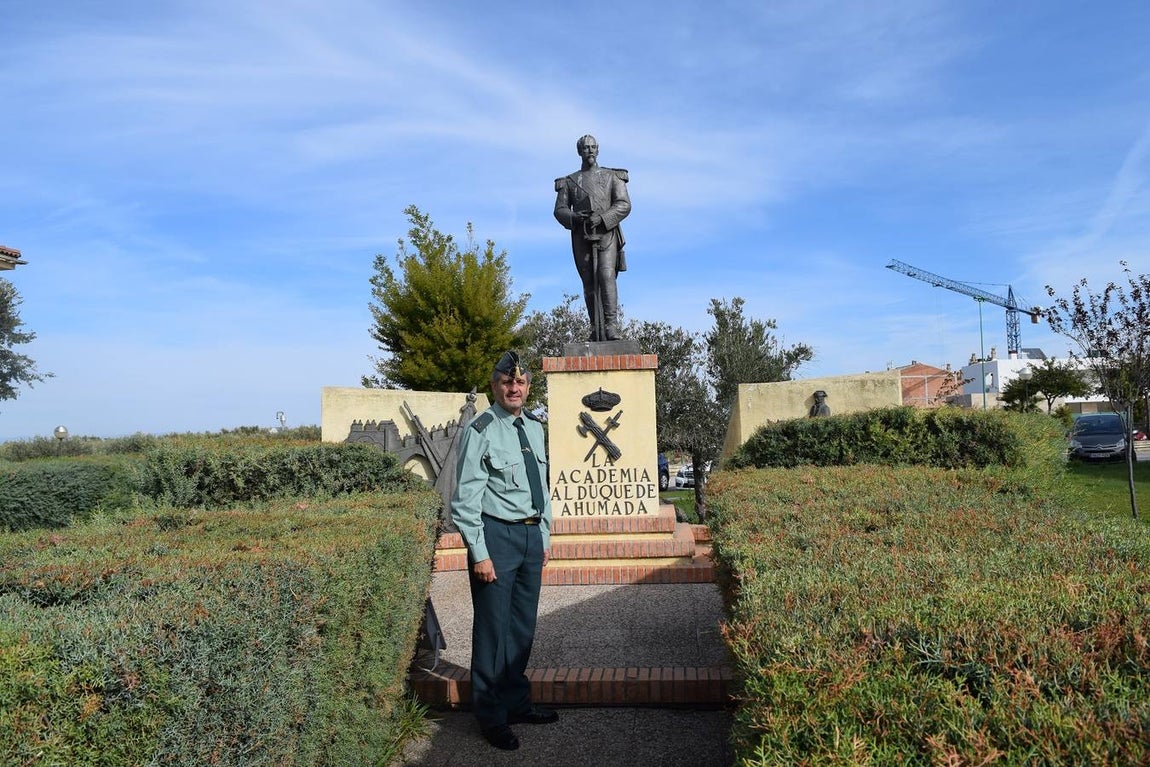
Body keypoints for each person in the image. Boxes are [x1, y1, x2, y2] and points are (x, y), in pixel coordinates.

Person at [450, 350, 557, 751]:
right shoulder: (480, 429)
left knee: (522, 629)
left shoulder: (535, 428)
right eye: (507, 382)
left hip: (529, 538)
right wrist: (479, 552)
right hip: (496, 536)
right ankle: (491, 716)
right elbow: (465, 498)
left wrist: (543, 537)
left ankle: (516, 703)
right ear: (495, 386)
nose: (514, 388)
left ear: (528, 387)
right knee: (493, 632)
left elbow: (541, 489)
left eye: (521, 382)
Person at [554, 134, 631, 341]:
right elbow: (560, 209)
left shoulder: (612, 176)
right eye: (585, 147)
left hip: (606, 233)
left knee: (606, 276)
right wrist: (574, 217)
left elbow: (624, 204)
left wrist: (604, 217)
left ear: (598, 149)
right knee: (588, 280)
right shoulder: (569, 181)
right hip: (582, 235)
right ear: (579, 151)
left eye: (593, 147)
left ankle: (611, 326)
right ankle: (595, 327)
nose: (589, 150)